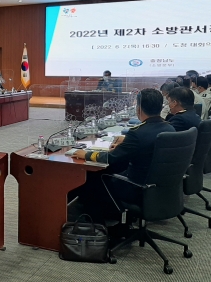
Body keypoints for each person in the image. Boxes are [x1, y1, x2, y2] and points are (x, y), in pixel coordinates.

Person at [74, 88, 175, 223]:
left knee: (94, 177)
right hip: (159, 185)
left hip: (137, 187)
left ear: (139, 108)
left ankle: (98, 224)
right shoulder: (169, 128)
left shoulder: (137, 133)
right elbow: (146, 146)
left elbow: (111, 158)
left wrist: (86, 154)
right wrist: (126, 144)